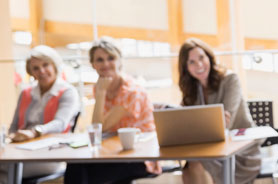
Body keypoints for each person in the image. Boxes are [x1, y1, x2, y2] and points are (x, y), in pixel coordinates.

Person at [64, 37, 161, 184]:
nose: (106, 64)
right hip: (112, 151)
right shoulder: (100, 86)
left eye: (111, 58)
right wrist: (101, 91)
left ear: (120, 61)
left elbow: (101, 128)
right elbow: (97, 129)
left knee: (84, 173)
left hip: (138, 155)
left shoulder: (130, 90)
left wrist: (101, 93)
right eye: (100, 60)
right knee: (75, 164)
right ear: (93, 64)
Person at [178, 38, 261, 184]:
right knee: (191, 166)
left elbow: (225, 122)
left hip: (240, 149)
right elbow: (187, 124)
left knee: (195, 164)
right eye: (191, 62)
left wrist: (199, 128)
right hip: (209, 149)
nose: (199, 65)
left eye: (201, 58)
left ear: (209, 57)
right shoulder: (191, 90)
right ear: (186, 68)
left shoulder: (230, 80)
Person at [0, 45, 79, 183]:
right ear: (31, 72)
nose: (41, 71)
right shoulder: (26, 93)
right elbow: (14, 126)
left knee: (6, 172)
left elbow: (60, 124)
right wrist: (13, 136)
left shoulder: (68, 92)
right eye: (35, 68)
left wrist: (35, 132)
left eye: (45, 65)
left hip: (50, 155)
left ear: (54, 65)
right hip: (20, 151)